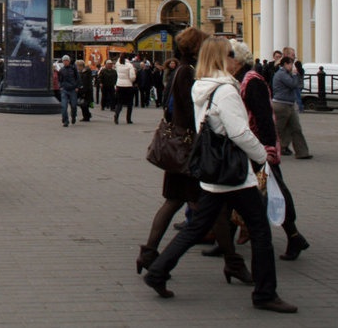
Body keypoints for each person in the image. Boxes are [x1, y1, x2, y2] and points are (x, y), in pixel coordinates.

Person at [144, 37, 297, 313]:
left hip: (213, 169)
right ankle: (264, 293)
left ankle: (157, 270)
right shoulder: (225, 90)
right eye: (230, 53)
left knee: (196, 227)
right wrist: (263, 157)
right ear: (221, 58)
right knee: (260, 230)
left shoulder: (201, 86)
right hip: (233, 170)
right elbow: (238, 131)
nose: (234, 58)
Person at [137, 28, 219, 274]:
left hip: (183, 148)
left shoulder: (178, 71)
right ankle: (154, 259)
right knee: (209, 204)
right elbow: (191, 111)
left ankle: (149, 253)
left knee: (187, 203)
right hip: (188, 149)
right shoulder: (187, 73)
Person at [228, 39, 310, 262]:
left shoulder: (252, 81)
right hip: (250, 147)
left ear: (237, 60)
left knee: (273, 193)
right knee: (243, 193)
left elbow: (264, 117)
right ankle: (226, 243)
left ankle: (293, 236)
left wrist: (267, 151)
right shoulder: (239, 79)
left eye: (228, 58)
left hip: (259, 149)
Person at [271, 53, 312, 159]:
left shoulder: (286, 73)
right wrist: (294, 75)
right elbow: (293, 85)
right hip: (281, 104)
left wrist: (295, 75)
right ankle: (269, 149)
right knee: (278, 130)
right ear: (285, 64)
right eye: (291, 64)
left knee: (296, 128)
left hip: (289, 104)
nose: (292, 67)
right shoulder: (282, 74)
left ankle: (302, 152)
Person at [57, 55, 80, 127]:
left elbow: (78, 78)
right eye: (64, 61)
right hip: (64, 89)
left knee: (73, 105)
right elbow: (59, 79)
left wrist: (77, 87)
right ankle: (65, 120)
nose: (65, 62)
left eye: (66, 60)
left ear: (69, 61)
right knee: (64, 106)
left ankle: (73, 116)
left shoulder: (73, 69)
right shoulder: (61, 70)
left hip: (73, 89)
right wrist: (60, 86)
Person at [114, 53, 137, 124]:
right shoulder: (129, 65)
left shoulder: (117, 64)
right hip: (128, 85)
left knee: (119, 102)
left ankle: (116, 115)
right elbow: (132, 76)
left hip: (119, 84)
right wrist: (132, 81)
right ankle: (128, 119)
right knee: (129, 103)